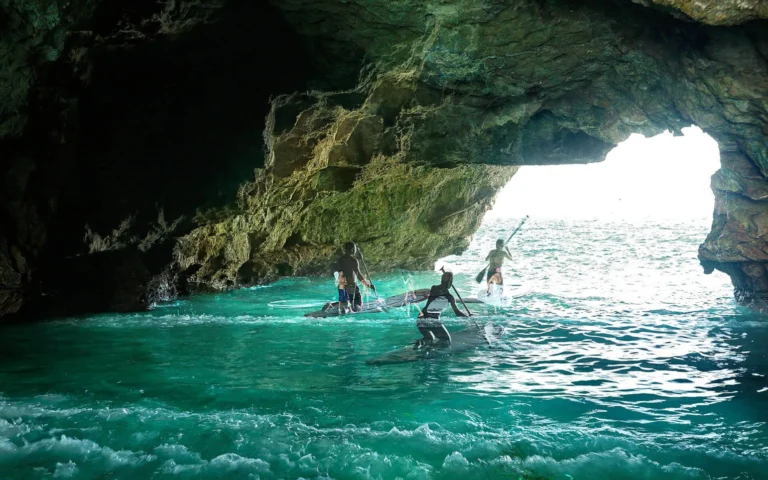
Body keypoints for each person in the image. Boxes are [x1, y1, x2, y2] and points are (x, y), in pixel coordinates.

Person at [415, 270, 466, 347]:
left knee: (430, 338)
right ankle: (431, 350)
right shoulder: (450, 297)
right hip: (432, 320)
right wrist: (468, 316)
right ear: (451, 282)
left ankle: (421, 343)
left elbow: (439, 290)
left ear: (441, 279)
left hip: (420, 318)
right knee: (446, 341)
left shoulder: (434, 288)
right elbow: (458, 313)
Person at [332, 242, 372, 312]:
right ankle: (352, 307)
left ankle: (342, 305)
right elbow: (358, 275)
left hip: (342, 287)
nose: (356, 250)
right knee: (358, 306)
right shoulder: (354, 261)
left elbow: (340, 271)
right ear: (352, 249)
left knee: (346, 302)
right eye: (355, 249)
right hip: (352, 288)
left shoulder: (340, 260)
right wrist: (368, 285)